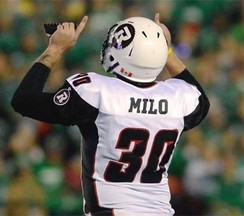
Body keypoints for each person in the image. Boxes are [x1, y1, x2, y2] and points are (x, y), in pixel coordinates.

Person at [11, 13, 210, 216]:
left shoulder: (97, 92)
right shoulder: (179, 97)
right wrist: (165, 50)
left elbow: (24, 100)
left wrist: (55, 48)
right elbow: (201, 101)